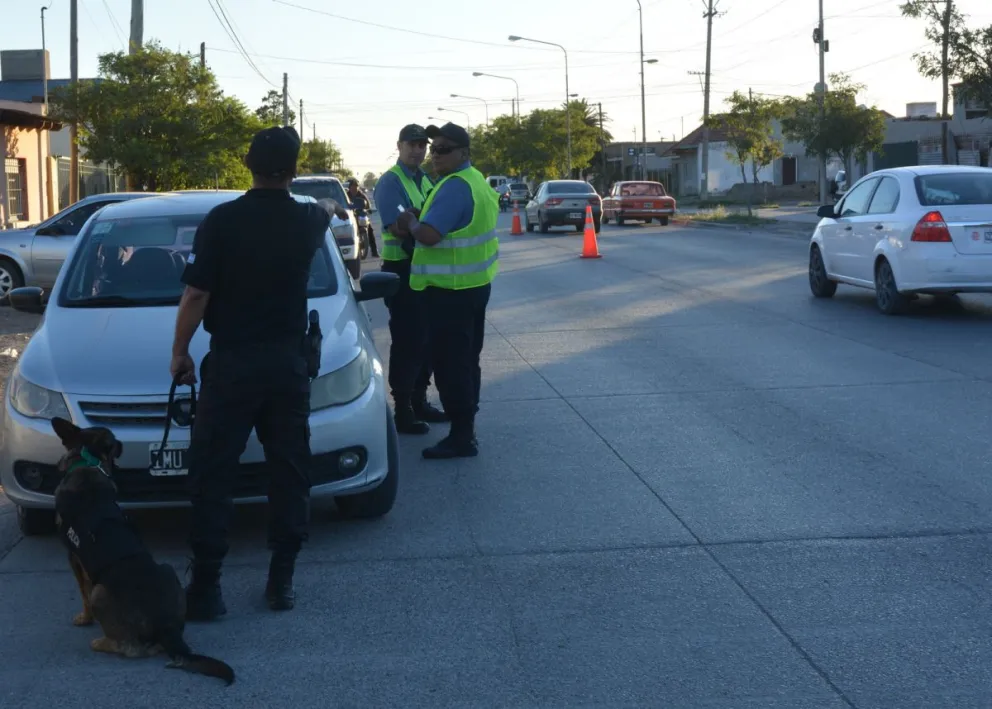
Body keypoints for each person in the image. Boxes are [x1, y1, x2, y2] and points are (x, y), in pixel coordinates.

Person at [169, 125, 329, 618]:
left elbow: (197, 294)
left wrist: (180, 352)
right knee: (289, 471)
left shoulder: (222, 221)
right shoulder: (309, 221)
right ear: (295, 170)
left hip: (234, 362)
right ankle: (281, 583)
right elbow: (325, 212)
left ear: (247, 164)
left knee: (214, 473)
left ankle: (207, 590)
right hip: (287, 365)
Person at [393, 123, 499, 459]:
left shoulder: (454, 187)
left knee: (452, 365)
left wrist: (411, 223)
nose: (434, 155)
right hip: (472, 287)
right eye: (433, 148)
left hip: (450, 292)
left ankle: (461, 435)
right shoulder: (476, 180)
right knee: (467, 361)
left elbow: (429, 235)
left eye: (443, 150)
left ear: (463, 153)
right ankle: (466, 425)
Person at [372, 124, 447, 435]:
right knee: (408, 341)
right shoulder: (391, 181)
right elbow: (397, 227)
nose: (418, 150)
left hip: (424, 269)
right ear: (399, 146)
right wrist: (424, 222)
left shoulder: (425, 179)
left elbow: (426, 219)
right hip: (401, 269)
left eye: (422, 145)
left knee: (427, 340)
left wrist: (424, 220)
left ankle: (419, 401)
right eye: (412, 144)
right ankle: (402, 408)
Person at [346, 177, 378, 258]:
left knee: (370, 230)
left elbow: (368, 204)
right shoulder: (346, 195)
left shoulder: (361, 195)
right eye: (352, 186)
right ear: (349, 187)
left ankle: (374, 251)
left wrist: (368, 209)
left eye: (356, 186)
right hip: (351, 216)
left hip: (361, 215)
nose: (354, 188)